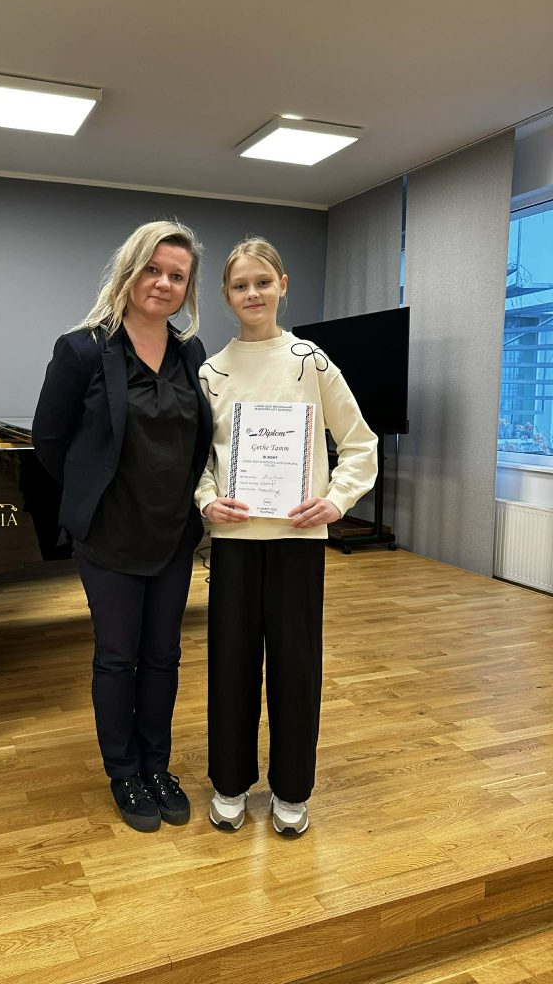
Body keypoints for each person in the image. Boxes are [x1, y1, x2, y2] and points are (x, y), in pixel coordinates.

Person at [32, 220, 212, 832]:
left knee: (163, 656)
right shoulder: (83, 349)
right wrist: (95, 493)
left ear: (187, 289)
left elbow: (199, 439)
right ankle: (124, 771)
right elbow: (49, 441)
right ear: (129, 271)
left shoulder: (191, 353)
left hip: (173, 533)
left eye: (176, 276)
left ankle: (157, 766)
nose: (163, 283)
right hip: (109, 536)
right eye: (152, 269)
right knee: (117, 657)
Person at [194, 237, 377, 836]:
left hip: (299, 542)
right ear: (226, 295)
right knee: (231, 665)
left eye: (263, 282)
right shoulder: (211, 372)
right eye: (240, 285)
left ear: (283, 286)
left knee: (296, 667)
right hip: (234, 543)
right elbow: (197, 461)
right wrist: (206, 500)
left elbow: (360, 444)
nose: (253, 293)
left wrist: (336, 500)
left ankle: (292, 788)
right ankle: (229, 782)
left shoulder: (310, 362)